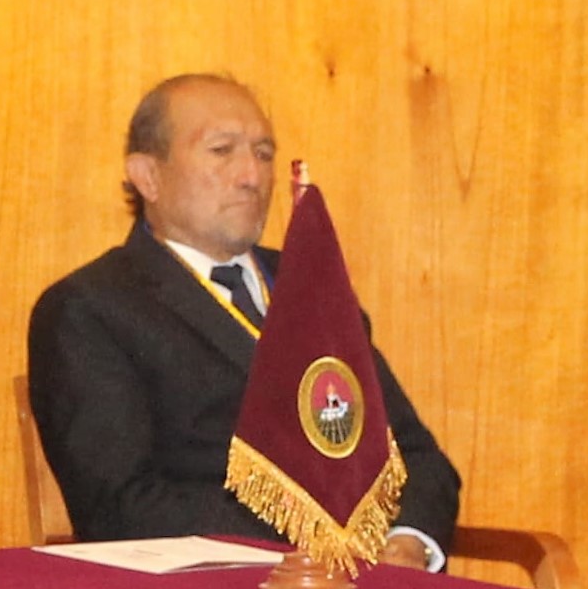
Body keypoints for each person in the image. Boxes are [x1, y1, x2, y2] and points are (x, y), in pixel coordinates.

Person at [27, 75, 460, 560]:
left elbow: (417, 457)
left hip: (367, 580)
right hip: (208, 588)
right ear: (148, 176)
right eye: (221, 151)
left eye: (263, 153)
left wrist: (409, 541)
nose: (252, 176)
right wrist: (318, 541)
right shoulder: (91, 308)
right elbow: (121, 507)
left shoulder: (314, 291)